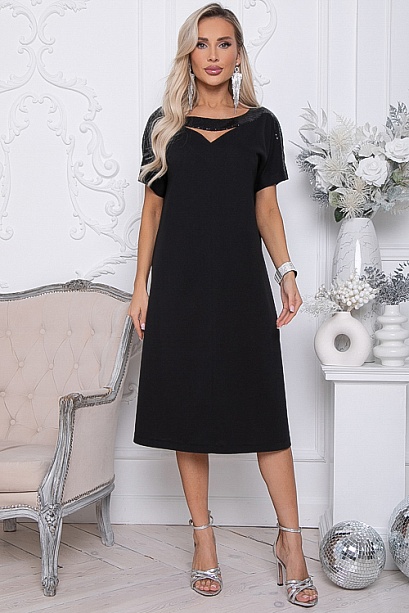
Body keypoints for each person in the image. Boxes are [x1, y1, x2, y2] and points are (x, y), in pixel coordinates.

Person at [129, 3, 318, 607]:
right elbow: (152, 212)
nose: (213, 54)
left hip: (241, 288)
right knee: (189, 414)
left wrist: (286, 273)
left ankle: (292, 542)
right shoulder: (164, 125)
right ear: (189, 55)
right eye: (202, 44)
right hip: (179, 290)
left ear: (238, 55)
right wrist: (140, 287)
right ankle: (203, 541)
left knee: (266, 413)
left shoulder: (262, 125)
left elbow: (267, 209)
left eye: (224, 43)